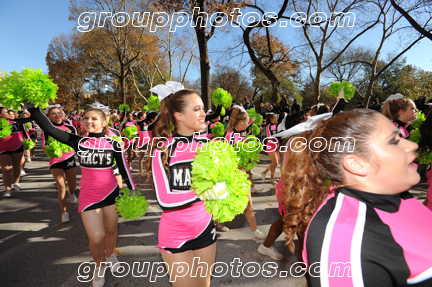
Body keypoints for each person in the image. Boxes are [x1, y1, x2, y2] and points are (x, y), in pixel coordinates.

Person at [282, 109, 432, 286]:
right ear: (357, 164)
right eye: (393, 141)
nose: (411, 146)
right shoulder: (343, 240)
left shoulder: (399, 196)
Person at [26, 101, 135, 287]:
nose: (89, 121)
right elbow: (50, 129)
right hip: (89, 196)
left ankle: (110, 256)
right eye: (86, 118)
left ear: (104, 122)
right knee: (95, 238)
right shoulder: (79, 142)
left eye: (94, 118)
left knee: (111, 230)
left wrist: (132, 192)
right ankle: (99, 266)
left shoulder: (114, 143)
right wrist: (34, 110)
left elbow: (124, 169)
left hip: (111, 194)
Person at [143, 82, 217, 287]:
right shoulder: (162, 148)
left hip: (205, 229)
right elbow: (164, 200)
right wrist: (202, 192)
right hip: (175, 234)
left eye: (203, 108)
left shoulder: (209, 145)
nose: (204, 113)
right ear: (179, 116)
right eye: (197, 109)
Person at [222, 106, 267, 239]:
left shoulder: (240, 133)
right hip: (231, 175)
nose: (248, 124)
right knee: (223, 201)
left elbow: (247, 129)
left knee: (248, 204)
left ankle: (255, 231)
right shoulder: (229, 135)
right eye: (247, 121)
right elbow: (226, 155)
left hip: (242, 174)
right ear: (241, 123)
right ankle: (217, 222)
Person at [41, 106, 79, 223]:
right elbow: (44, 146)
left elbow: (76, 142)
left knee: (72, 185)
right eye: (53, 113)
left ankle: (71, 192)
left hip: (69, 159)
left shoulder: (70, 127)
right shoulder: (46, 130)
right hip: (56, 161)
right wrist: (53, 148)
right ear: (49, 116)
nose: (57, 115)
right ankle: (64, 212)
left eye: (59, 112)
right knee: (61, 186)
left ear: (62, 113)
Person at [1, 107, 32, 198]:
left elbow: (25, 133)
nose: (10, 114)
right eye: (7, 112)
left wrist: (28, 142)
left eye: (10, 113)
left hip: (17, 147)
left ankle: (16, 183)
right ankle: (8, 189)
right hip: (2, 149)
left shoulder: (17, 122)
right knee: (6, 169)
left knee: (16, 166)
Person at [261, 113, 279, 186]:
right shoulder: (268, 126)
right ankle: (264, 172)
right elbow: (270, 137)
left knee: (274, 163)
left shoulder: (276, 126)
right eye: (275, 117)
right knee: (275, 163)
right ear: (271, 119)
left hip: (276, 144)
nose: (277, 118)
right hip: (271, 145)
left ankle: (271, 179)